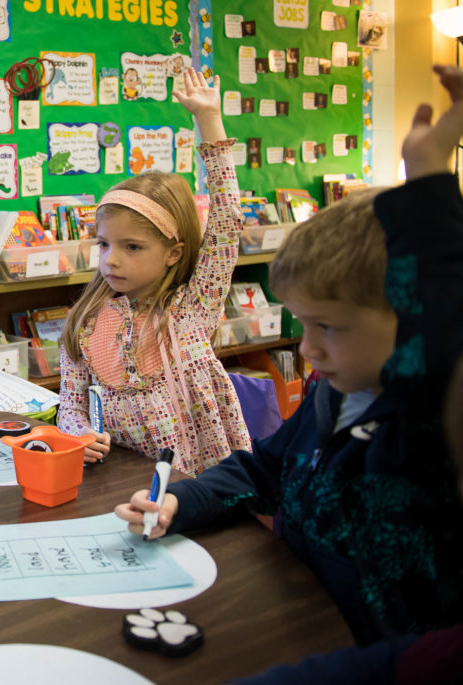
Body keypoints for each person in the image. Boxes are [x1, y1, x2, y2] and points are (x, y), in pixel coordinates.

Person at [115, 65, 463, 648]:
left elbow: (445, 313)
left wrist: (428, 184)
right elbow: (263, 469)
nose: (306, 348)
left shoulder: (425, 415)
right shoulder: (333, 393)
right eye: (302, 323)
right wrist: (182, 498)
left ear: (412, 319)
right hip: (296, 618)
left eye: (328, 326)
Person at [58, 67, 249, 475]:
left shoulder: (191, 310)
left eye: (132, 247)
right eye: (104, 244)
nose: (111, 260)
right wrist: (78, 433)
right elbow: (71, 405)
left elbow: (228, 219)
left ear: (173, 252)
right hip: (120, 482)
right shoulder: (85, 323)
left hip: (198, 485)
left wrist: (208, 120)